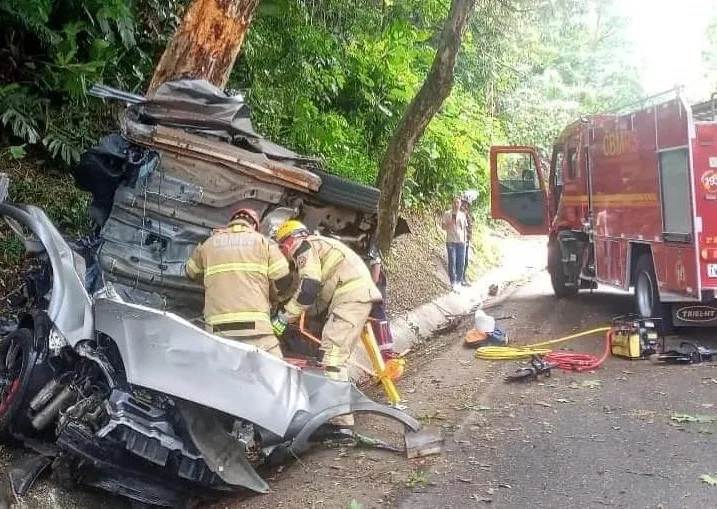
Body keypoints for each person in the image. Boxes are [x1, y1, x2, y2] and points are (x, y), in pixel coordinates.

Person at [271, 220, 382, 427]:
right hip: (353, 296)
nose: (283, 253)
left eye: (281, 247)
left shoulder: (303, 246)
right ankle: (338, 417)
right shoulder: (320, 245)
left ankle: (340, 424)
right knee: (334, 357)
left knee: (331, 359)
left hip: (350, 297)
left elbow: (309, 287)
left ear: (287, 242)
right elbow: (313, 293)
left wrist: (283, 318)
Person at [185, 208, 293, 358]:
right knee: (274, 372)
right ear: (254, 225)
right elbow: (284, 279)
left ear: (231, 222)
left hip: (218, 328)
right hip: (255, 328)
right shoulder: (263, 242)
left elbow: (189, 273)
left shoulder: (208, 243)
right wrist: (274, 297)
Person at [364, 243, 398, 360]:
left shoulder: (369, 243)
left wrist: (370, 289)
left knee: (378, 316)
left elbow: (376, 266)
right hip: (361, 285)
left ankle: (387, 354)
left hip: (374, 286)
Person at [441, 196, 468, 291]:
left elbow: (464, 228)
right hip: (451, 241)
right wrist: (450, 223)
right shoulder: (447, 214)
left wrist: (465, 241)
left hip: (461, 242)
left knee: (461, 263)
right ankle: (453, 282)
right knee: (452, 261)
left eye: (458, 203)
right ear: (452, 203)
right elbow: (443, 227)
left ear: (460, 204)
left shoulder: (462, 215)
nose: (456, 204)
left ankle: (459, 281)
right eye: (455, 202)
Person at [459, 195, 473, 286]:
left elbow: (470, 227)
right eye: (463, 203)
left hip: (466, 240)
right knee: (461, 260)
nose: (465, 205)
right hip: (459, 240)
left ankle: (463, 278)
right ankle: (460, 279)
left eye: (466, 204)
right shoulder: (458, 214)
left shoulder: (468, 214)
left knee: (465, 260)